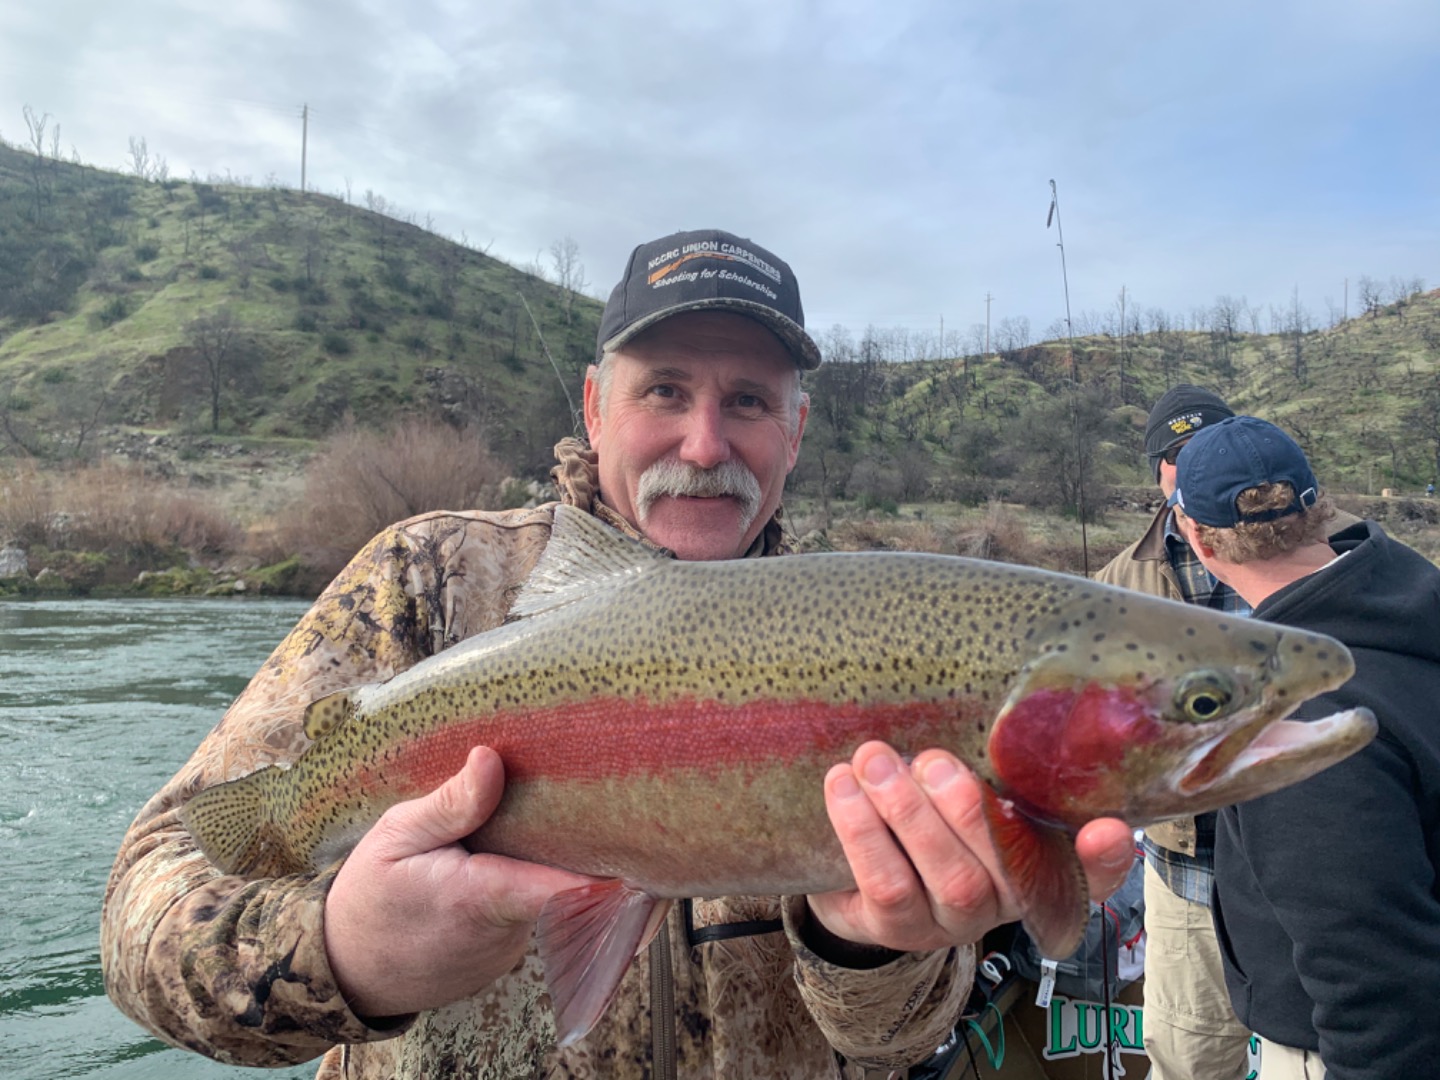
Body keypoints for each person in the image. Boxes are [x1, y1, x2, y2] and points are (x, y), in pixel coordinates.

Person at [101, 227, 1134, 1080]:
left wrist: (867, 945)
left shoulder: (888, 640)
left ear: (797, 428)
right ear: (595, 408)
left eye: (746, 402)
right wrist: (346, 957)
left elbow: (896, 1040)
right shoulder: (425, 581)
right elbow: (146, 910)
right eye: (664, 391)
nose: (703, 445)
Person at [1169, 416, 1440, 1080]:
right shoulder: (1414, 603)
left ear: (1198, 540)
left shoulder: (1291, 714)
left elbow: (1375, 987)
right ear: (1318, 508)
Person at [1094, 385, 1256, 1080]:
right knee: (1190, 1062)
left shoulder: (1300, 553)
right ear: (1158, 471)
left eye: (1211, 447)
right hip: (1186, 870)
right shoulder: (1112, 582)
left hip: (1298, 865)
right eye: (1177, 454)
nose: (1193, 466)